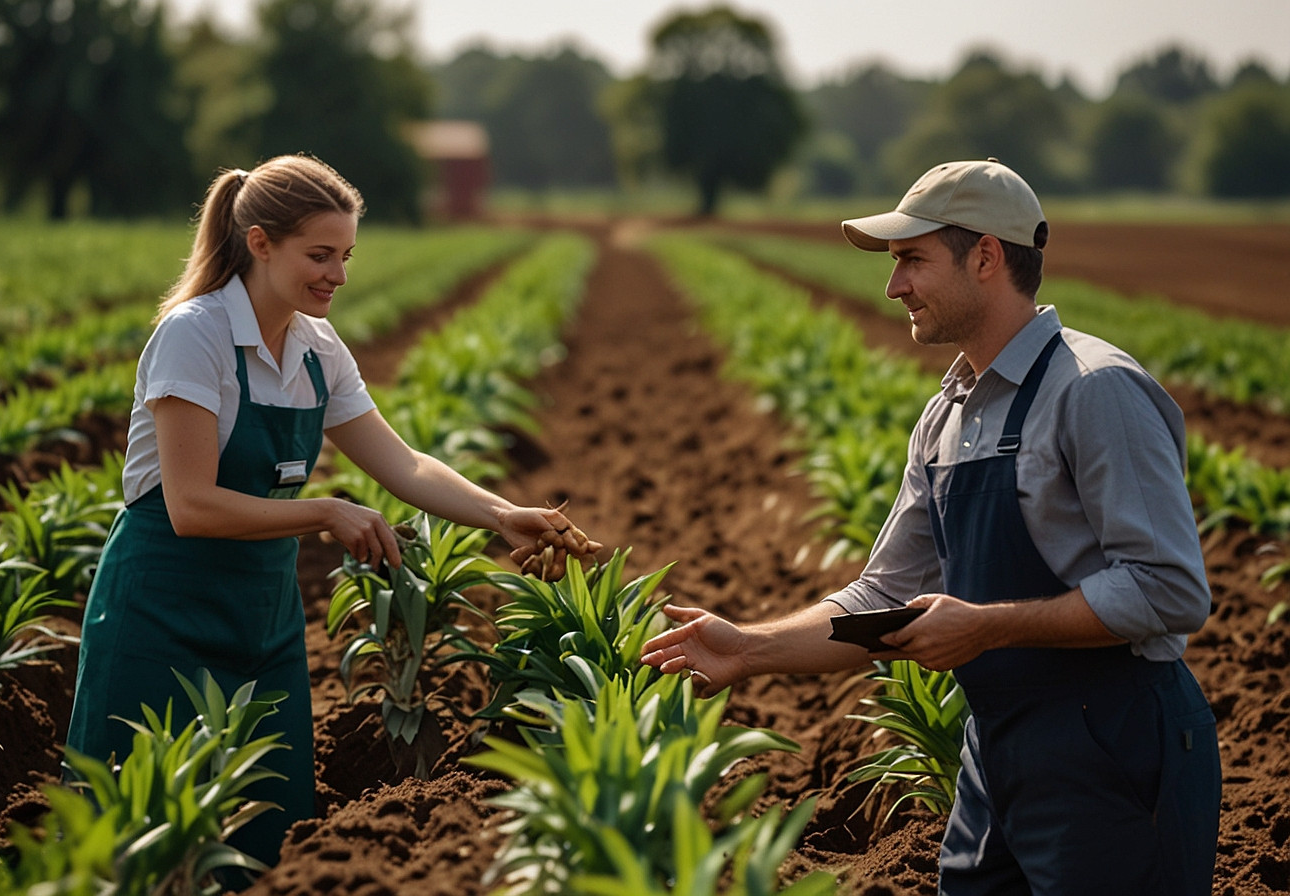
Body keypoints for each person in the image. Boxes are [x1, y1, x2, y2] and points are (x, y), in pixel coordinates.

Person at [640, 158, 1221, 895]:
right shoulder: (949, 412)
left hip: (1113, 749)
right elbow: (884, 593)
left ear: (985, 256)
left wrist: (988, 627)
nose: (893, 287)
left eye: (912, 260)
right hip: (999, 755)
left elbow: (1169, 591)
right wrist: (749, 648)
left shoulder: (1094, 390)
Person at [67, 153, 587, 870]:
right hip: (162, 610)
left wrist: (502, 515)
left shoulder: (317, 349)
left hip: (262, 618)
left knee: (266, 838)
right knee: (139, 843)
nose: (337, 275)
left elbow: (403, 463)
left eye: (344, 256)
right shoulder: (196, 335)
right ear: (260, 243)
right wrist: (322, 510)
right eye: (319, 255)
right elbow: (190, 506)